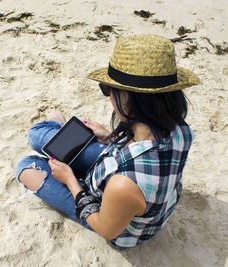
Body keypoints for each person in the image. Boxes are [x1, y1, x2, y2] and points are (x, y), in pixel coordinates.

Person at [16, 34, 200, 249]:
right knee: (38, 137)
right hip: (116, 167)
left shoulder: (124, 185)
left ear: (130, 97)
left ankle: (60, 128)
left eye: (108, 89)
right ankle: (61, 129)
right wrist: (112, 137)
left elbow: (106, 228)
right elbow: (146, 151)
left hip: (114, 213)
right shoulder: (180, 129)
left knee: (27, 166)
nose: (109, 97)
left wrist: (71, 182)